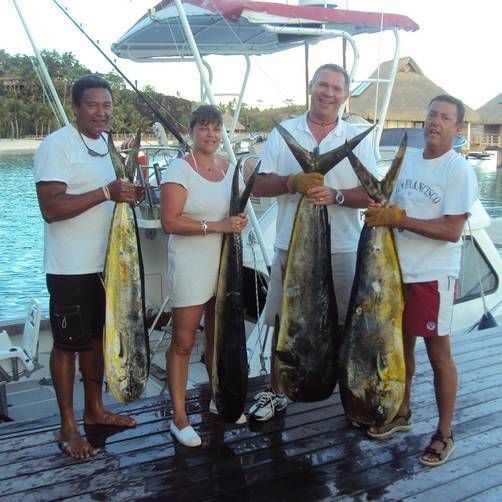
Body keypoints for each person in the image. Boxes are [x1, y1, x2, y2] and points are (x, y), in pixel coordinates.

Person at [249, 63, 378, 421]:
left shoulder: (356, 137)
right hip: (292, 249)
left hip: (344, 249)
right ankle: (276, 392)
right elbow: (259, 185)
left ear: (345, 95)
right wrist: (293, 182)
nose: (328, 93)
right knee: (282, 322)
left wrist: (335, 194)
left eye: (337, 88)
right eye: (323, 85)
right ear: (311, 86)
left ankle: (351, 394)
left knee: (347, 325)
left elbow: (372, 194)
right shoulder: (285, 132)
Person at [364, 95, 478, 467]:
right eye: (431, 115)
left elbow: (451, 230)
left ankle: (445, 433)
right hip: (397, 273)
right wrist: (381, 214)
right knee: (402, 348)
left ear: (456, 128)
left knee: (439, 353)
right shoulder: (410, 161)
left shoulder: (457, 169)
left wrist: (399, 220)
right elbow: (396, 211)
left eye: (445, 118)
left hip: (433, 276)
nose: (435, 122)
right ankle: (402, 411)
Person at [34, 74, 137, 459]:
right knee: (66, 345)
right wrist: (106, 192)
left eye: (106, 105)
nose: (101, 112)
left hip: (106, 266)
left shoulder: (105, 147)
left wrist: (124, 195)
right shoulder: (56, 146)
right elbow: (51, 209)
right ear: (76, 107)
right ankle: (67, 426)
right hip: (69, 267)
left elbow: (110, 201)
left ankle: (94, 410)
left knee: (95, 339)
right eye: (92, 105)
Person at [160, 105, 248, 447]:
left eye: (216, 128)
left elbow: (230, 217)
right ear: (192, 130)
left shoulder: (228, 169)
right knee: (182, 343)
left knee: (217, 338)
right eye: (204, 128)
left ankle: (219, 399)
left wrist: (234, 223)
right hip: (190, 265)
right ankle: (179, 418)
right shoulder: (180, 169)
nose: (211, 134)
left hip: (223, 265)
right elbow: (170, 221)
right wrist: (218, 226)